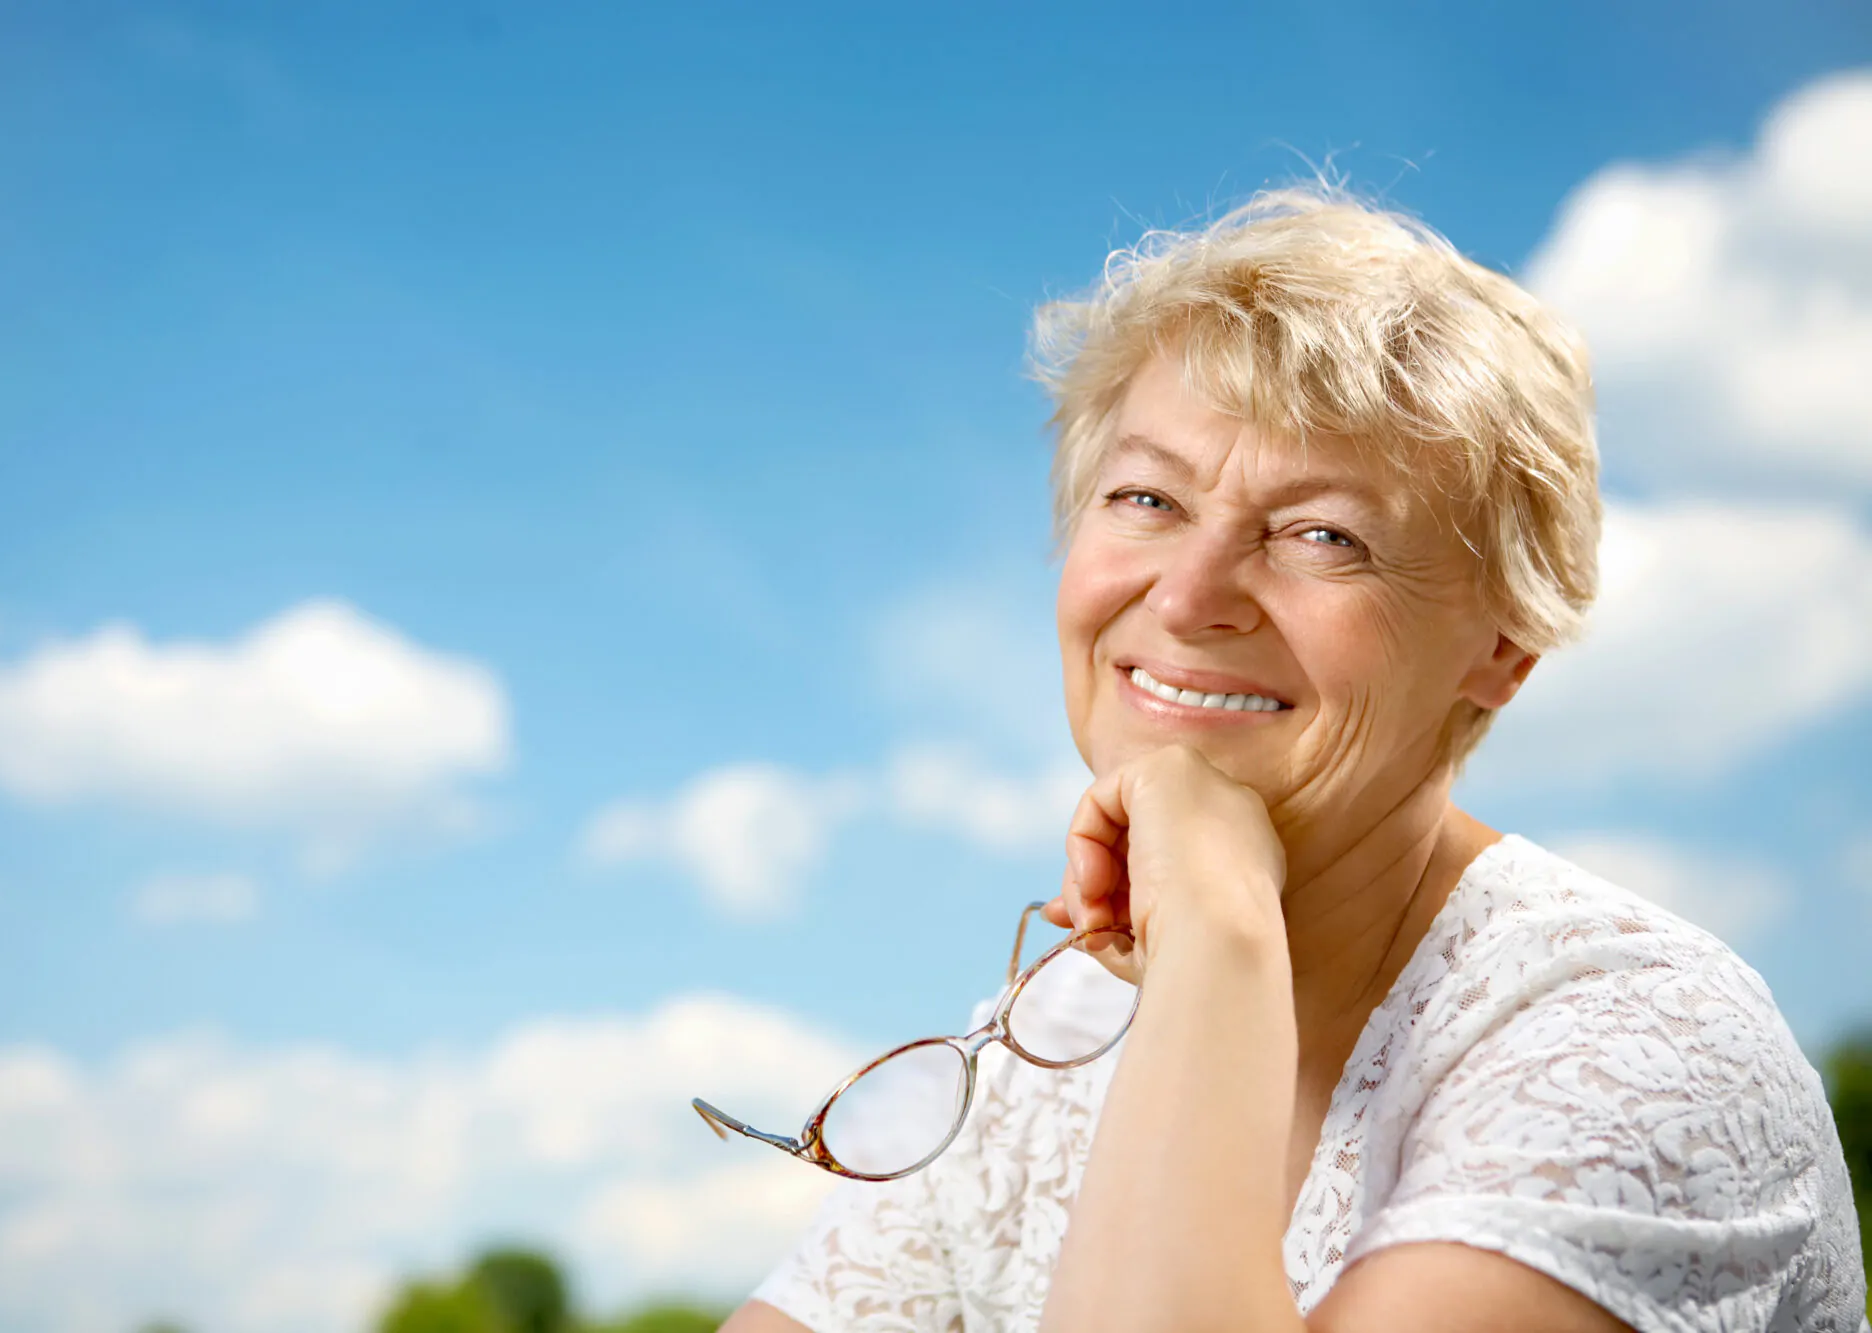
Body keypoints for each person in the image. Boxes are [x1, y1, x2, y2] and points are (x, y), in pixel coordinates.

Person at [719, 188, 1868, 1332]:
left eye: (1323, 535)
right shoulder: (1056, 1032)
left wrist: (1215, 931)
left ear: (1501, 648)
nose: (1184, 596)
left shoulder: (1641, 1044)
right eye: (1146, 497)